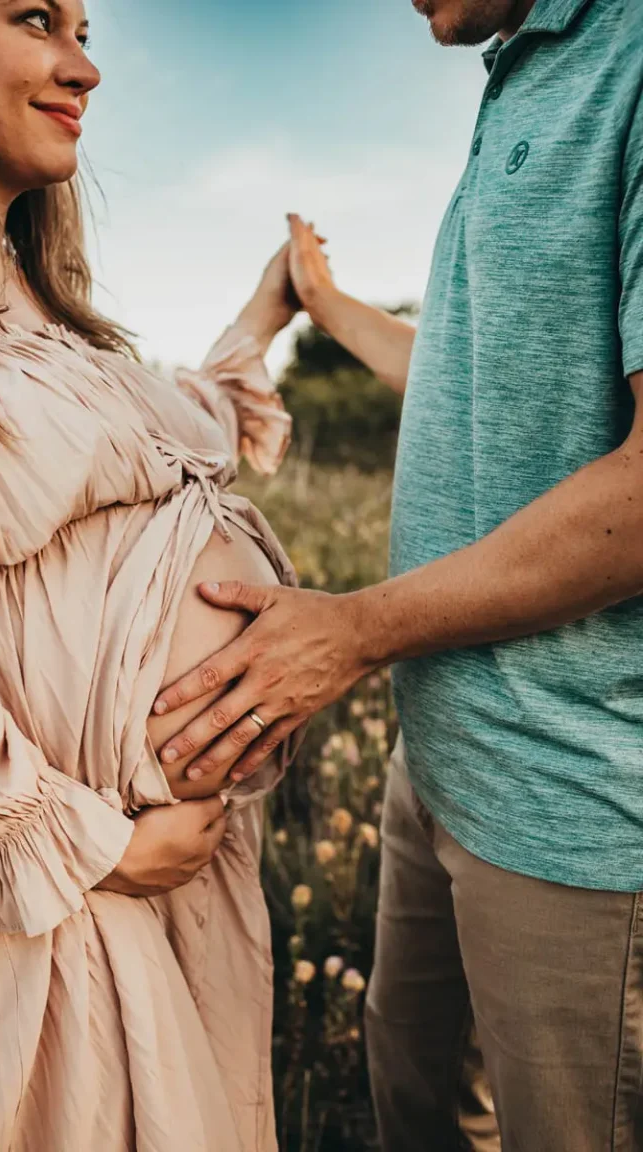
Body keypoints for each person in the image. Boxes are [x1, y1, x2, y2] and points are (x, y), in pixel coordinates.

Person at [152, 0, 643, 1148]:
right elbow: (480, 377)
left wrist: (355, 630)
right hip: (441, 762)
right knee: (415, 1098)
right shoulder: (522, 70)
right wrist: (321, 307)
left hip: (575, 806)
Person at [0, 1, 306, 1148]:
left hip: (170, 890)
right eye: (36, 21)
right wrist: (76, 835)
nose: (87, 66)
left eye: (85, 26)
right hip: (36, 905)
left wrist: (266, 312)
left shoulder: (53, 314)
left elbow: (182, 435)